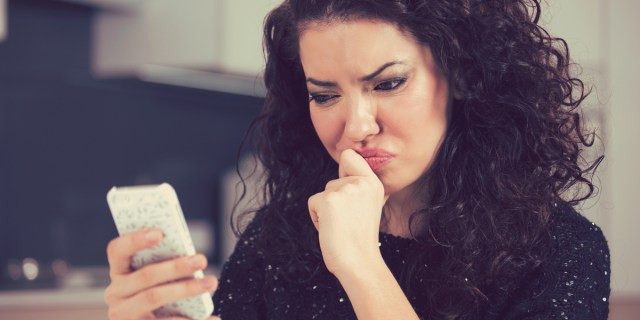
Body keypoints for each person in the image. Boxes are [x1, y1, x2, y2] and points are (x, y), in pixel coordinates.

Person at [104, 0, 610, 319]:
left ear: (461, 74)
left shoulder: (562, 251)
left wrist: (360, 264)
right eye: (325, 95)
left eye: (388, 84)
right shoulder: (277, 237)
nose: (356, 127)